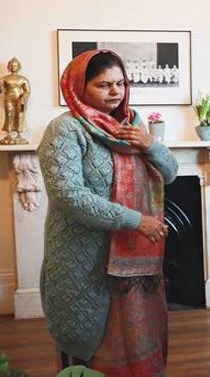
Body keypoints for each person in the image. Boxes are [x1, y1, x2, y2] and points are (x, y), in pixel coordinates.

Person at [38, 49, 178, 376]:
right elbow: (68, 195)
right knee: (92, 343)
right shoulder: (65, 130)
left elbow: (170, 173)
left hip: (135, 263)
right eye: (103, 85)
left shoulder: (133, 126)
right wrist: (135, 220)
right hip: (86, 258)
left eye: (120, 83)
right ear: (79, 86)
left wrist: (149, 144)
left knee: (139, 336)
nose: (115, 91)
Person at [0, 57, 31, 144]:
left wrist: (23, 98)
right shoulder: (4, 78)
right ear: (8, 67)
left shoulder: (23, 79)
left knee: (19, 115)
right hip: (8, 98)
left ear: (19, 67)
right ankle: (8, 133)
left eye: (15, 66)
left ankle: (19, 133)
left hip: (19, 98)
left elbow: (27, 90)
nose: (13, 67)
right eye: (12, 66)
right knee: (9, 115)